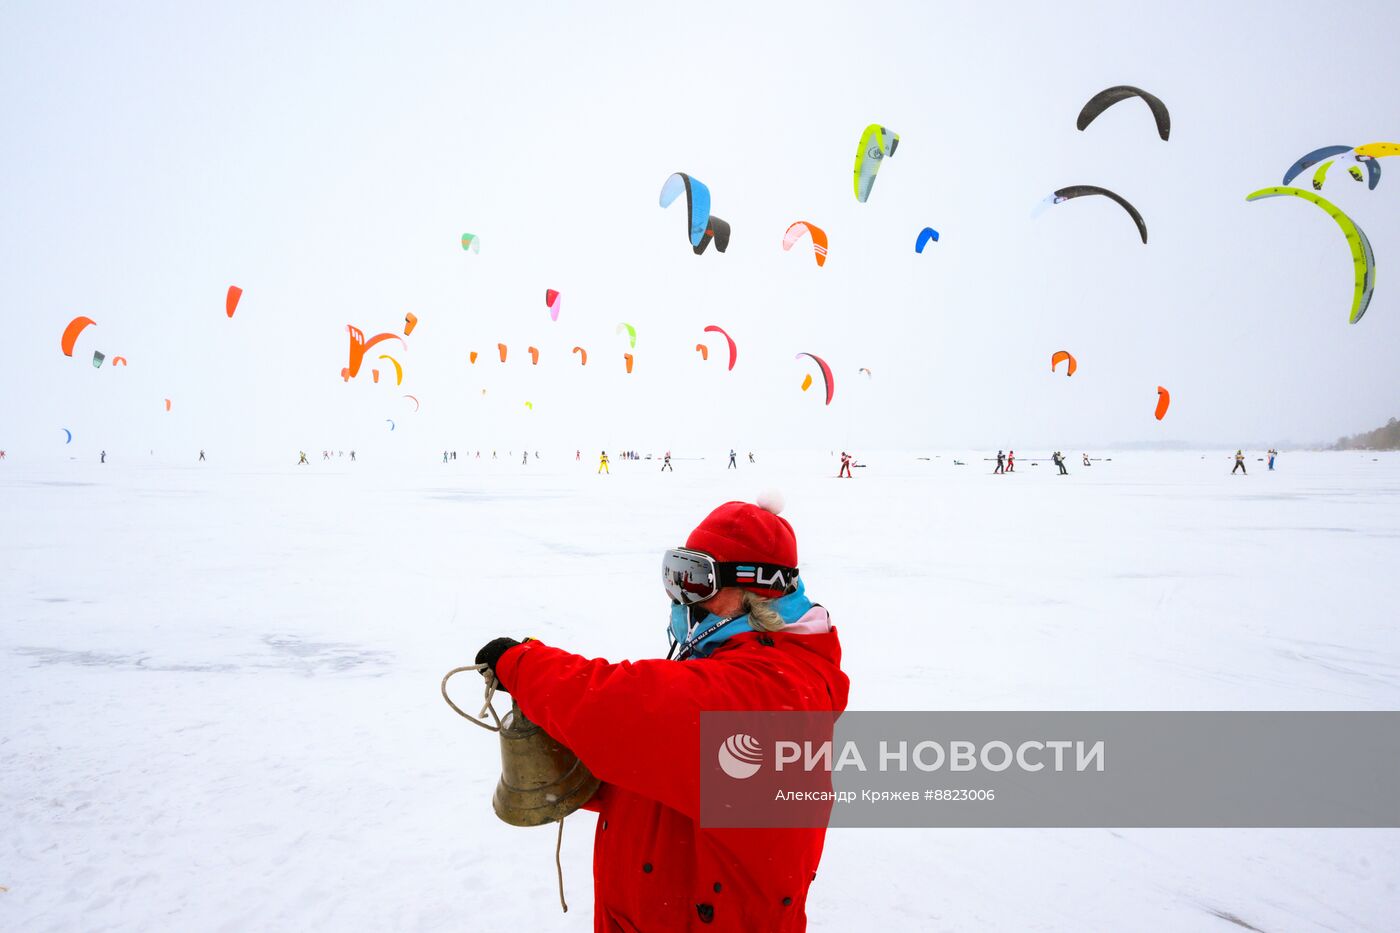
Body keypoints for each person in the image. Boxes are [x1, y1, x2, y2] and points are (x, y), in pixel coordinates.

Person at [473, 498, 848, 930]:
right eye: (676, 575)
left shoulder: (772, 690)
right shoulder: (723, 666)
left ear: (755, 589)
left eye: (696, 580)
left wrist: (524, 666)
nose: (681, 596)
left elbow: (627, 707)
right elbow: (660, 768)